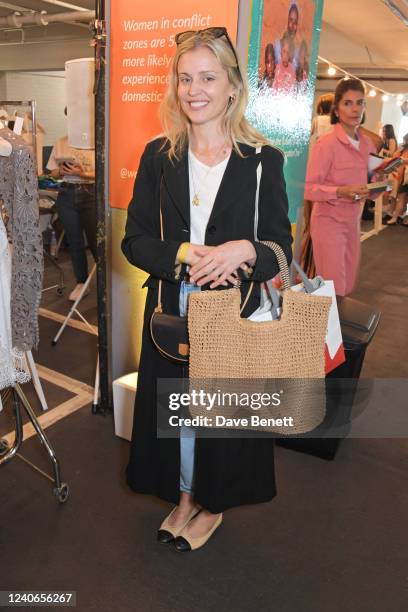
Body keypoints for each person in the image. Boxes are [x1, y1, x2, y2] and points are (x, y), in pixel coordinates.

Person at [121, 27, 292, 552]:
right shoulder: (158, 156)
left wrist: (245, 252)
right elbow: (135, 242)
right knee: (179, 416)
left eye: (208, 78)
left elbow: (281, 249)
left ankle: (211, 503)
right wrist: (181, 255)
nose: (195, 89)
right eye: (185, 78)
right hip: (173, 308)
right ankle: (185, 496)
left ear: (232, 87)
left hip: (233, 313)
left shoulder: (263, 161)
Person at [304, 78, 376, 296]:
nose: (355, 109)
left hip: (353, 223)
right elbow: (308, 188)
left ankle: (334, 327)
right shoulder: (326, 145)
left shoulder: (367, 145)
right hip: (328, 223)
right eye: (348, 103)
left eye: (360, 102)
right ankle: (327, 330)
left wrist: (381, 182)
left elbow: (371, 187)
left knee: (348, 284)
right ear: (336, 109)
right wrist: (339, 191)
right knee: (335, 288)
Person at [47, 109, 96, 302]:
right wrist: (60, 170)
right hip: (66, 193)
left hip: (90, 192)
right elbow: (51, 172)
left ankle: (105, 282)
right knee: (75, 242)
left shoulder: (95, 142)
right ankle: (82, 282)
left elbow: (105, 173)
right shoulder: (61, 142)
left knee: (95, 242)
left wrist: (83, 173)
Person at [385, 133, 408, 226]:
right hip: (398, 175)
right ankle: (393, 215)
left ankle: (394, 218)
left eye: (405, 140)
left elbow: (400, 159)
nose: (404, 142)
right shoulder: (402, 148)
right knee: (395, 196)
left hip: (404, 176)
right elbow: (395, 156)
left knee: (401, 197)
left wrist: (401, 159)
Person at [274, 2, 300, 70]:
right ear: (287, 21)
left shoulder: (297, 52)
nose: (293, 25)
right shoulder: (277, 45)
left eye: (295, 22)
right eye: (291, 20)